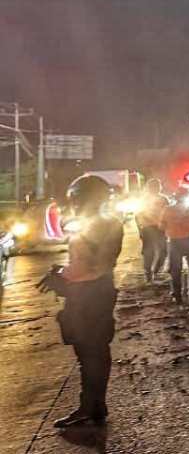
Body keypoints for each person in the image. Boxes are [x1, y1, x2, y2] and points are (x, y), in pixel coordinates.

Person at [37, 174, 123, 427]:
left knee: (88, 353)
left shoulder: (91, 225)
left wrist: (60, 276)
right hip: (102, 290)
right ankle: (96, 405)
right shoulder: (111, 222)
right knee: (98, 350)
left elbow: (86, 264)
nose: (73, 203)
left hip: (87, 295)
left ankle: (89, 407)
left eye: (76, 198)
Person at [162, 189, 189, 303]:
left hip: (174, 241)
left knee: (175, 270)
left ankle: (177, 295)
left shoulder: (167, 210)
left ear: (175, 197)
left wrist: (173, 226)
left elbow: (161, 226)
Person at [135, 178, 168, 282]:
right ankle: (149, 273)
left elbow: (168, 213)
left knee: (163, 251)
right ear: (149, 188)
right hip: (148, 228)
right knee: (149, 252)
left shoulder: (163, 199)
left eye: (157, 186)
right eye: (153, 186)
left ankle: (154, 271)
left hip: (159, 228)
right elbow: (137, 215)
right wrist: (139, 229)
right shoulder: (144, 200)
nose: (155, 188)